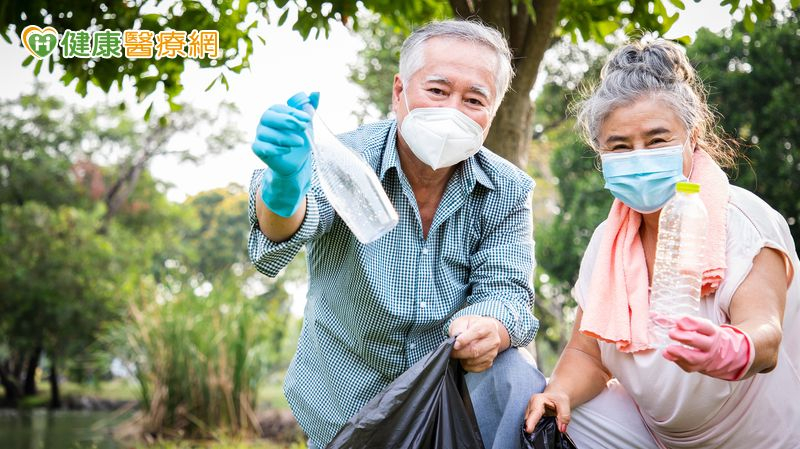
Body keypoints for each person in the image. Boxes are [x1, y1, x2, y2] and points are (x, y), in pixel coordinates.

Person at [248, 19, 546, 449]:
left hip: (448, 403)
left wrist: (493, 326)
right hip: (344, 404)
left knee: (515, 369)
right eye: (438, 91)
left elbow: (509, 291)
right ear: (399, 92)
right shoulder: (349, 158)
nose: (452, 111)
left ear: (494, 110)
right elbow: (285, 231)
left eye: (474, 99)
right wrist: (282, 188)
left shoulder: (507, 189)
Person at [524, 39, 800, 448]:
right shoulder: (607, 242)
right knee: (548, 418)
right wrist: (559, 391)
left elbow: (765, 334)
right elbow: (587, 353)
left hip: (760, 437)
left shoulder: (743, 220)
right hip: (653, 437)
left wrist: (728, 349)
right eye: (619, 146)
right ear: (600, 155)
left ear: (693, 137)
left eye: (656, 140)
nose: (639, 156)